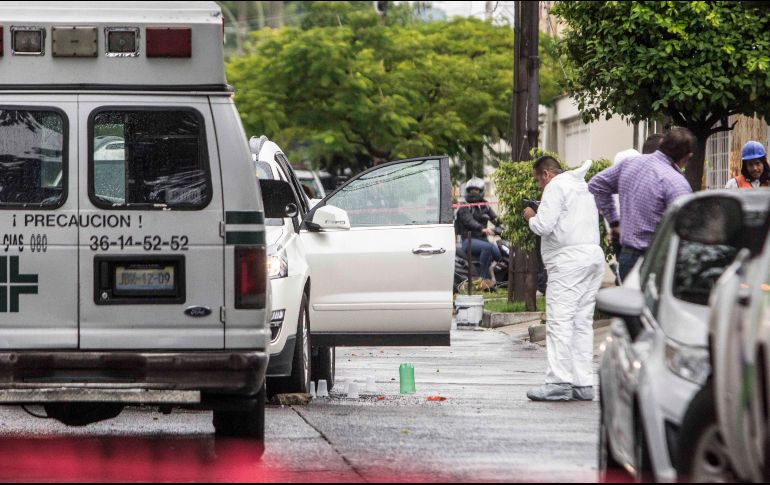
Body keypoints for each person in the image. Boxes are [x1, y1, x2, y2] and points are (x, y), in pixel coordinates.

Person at [523, 156, 605, 402]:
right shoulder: (582, 186)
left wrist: (531, 216)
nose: (540, 186)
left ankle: (558, 382)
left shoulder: (555, 187)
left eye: (538, 181)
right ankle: (583, 383)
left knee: (560, 321)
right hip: (592, 257)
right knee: (582, 322)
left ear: (546, 174)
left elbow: (544, 226)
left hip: (568, 262)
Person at [588, 128, 696, 282]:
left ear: (662, 143)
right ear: (687, 157)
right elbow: (687, 228)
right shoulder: (676, 183)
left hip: (627, 258)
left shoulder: (630, 163)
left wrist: (614, 222)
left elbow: (596, 184)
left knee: (630, 298)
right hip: (658, 262)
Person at [455, 177, 501, 285]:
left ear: (481, 191)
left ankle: (498, 279)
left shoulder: (485, 206)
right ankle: (483, 280)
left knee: (498, 253)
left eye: (476, 190)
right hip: (468, 241)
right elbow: (469, 221)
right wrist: (482, 229)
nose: (473, 192)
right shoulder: (463, 206)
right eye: (471, 190)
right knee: (488, 247)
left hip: (483, 240)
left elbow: (496, 220)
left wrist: (501, 227)